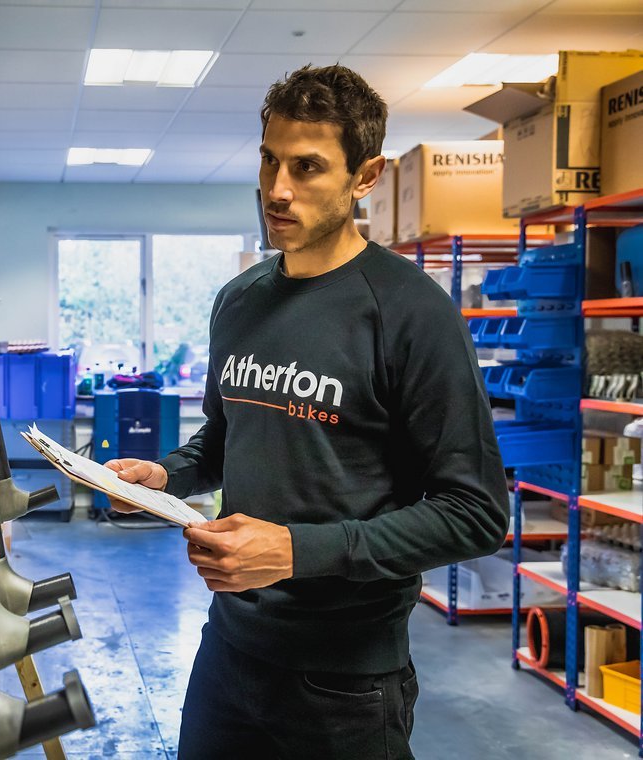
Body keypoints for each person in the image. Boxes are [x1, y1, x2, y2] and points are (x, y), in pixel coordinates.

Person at [104, 64, 509, 759]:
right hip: (228, 652)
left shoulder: (411, 312)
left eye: (307, 167)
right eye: (268, 160)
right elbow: (225, 437)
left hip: (345, 682)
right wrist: (163, 478)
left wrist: (295, 551)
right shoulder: (240, 300)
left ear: (366, 176)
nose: (277, 189)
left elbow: (474, 512)